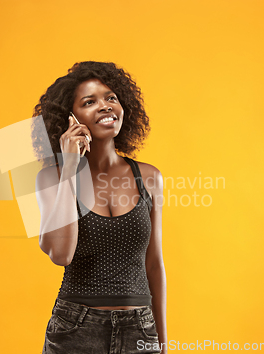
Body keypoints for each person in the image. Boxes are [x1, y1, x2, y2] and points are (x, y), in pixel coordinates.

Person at [33, 61, 167, 353]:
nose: (105, 106)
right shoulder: (52, 177)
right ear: (70, 118)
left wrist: (163, 342)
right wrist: (70, 165)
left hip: (140, 328)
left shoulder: (148, 177)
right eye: (89, 102)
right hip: (76, 328)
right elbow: (61, 253)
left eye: (111, 98)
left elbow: (154, 263)